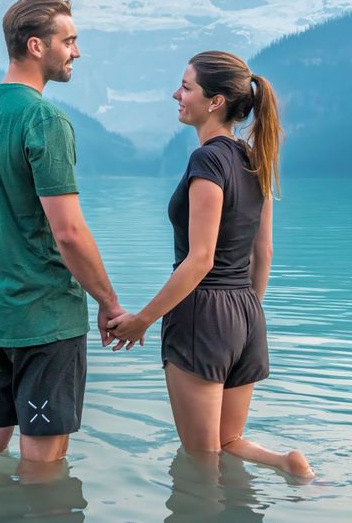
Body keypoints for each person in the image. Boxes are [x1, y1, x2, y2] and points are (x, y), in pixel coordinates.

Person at [108, 51, 312, 479]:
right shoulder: (256, 159)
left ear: (215, 101)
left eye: (186, 87)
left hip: (202, 314)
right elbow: (264, 252)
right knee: (227, 442)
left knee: (201, 461)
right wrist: (245, 313)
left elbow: (200, 258)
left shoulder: (208, 160)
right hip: (245, 313)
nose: (176, 95)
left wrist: (144, 318)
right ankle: (284, 464)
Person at [0, 0, 126, 468]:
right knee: (44, 466)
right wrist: (109, 303)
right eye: (68, 41)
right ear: (35, 46)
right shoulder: (43, 119)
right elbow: (67, 231)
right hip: (43, 320)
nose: (76, 52)